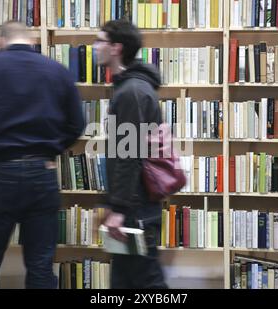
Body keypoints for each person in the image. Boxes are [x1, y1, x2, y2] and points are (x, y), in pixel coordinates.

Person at [0, 21, 85, 289]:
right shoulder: (57, 71)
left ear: (0, 41)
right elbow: (77, 124)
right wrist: (53, 149)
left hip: (2, 174)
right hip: (43, 173)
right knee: (40, 262)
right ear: (31, 41)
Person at [93, 19, 167, 289]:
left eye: (100, 40)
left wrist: (119, 209)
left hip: (135, 209)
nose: (95, 46)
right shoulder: (132, 88)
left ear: (116, 48)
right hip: (135, 205)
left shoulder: (131, 92)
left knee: (148, 282)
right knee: (126, 281)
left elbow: (128, 153)